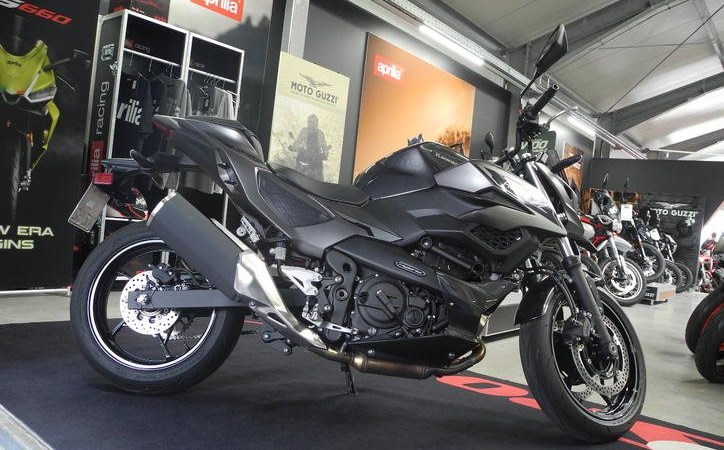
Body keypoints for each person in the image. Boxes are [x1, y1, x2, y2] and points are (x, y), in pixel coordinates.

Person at [288, 114, 330, 181]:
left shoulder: (320, 133)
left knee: (320, 178)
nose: (312, 125)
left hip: (317, 158)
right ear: (308, 123)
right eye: (310, 122)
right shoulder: (304, 131)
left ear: (317, 123)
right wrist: (293, 148)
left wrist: (325, 154)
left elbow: (324, 146)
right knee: (296, 173)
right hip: (305, 155)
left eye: (314, 123)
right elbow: (298, 141)